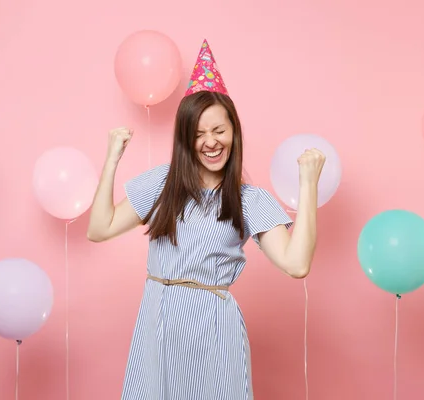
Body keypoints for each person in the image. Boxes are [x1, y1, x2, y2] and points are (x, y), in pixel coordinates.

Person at [87, 39, 325, 400]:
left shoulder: (249, 200)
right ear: (185, 139)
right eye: (198, 133)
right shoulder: (162, 184)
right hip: (157, 327)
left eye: (219, 130)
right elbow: (98, 229)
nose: (210, 142)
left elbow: (297, 264)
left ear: (234, 132)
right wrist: (111, 160)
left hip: (213, 335)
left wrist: (308, 185)